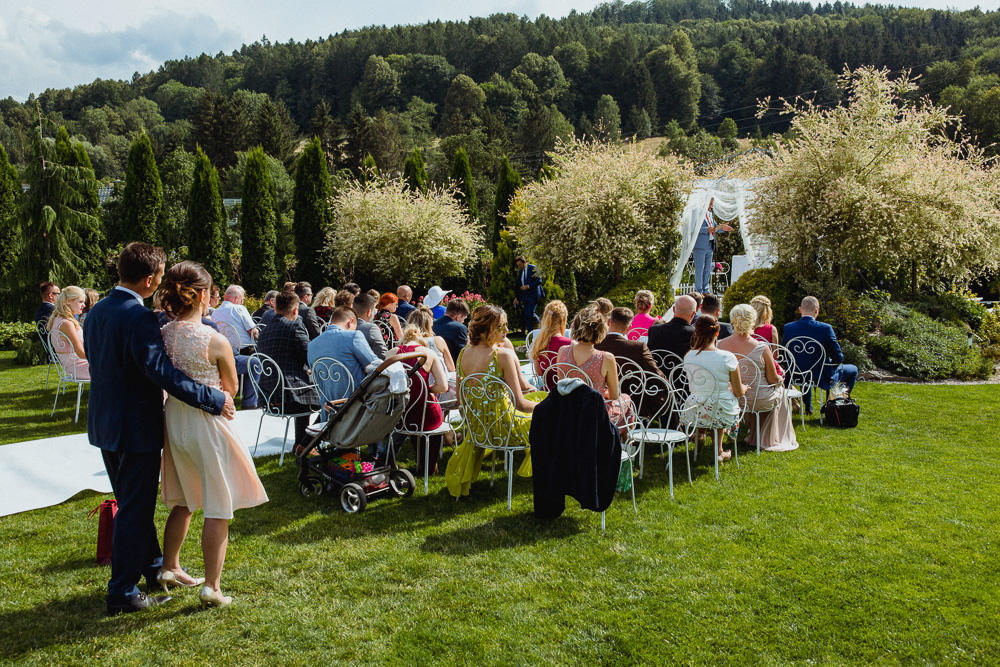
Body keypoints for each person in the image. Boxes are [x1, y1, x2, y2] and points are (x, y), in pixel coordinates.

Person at [84, 242, 234, 615]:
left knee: (133, 504)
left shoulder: (97, 310)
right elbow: (159, 372)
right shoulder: (139, 318)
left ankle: (153, 568)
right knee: (134, 510)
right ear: (150, 280)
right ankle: (121, 591)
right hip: (135, 427)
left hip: (105, 423)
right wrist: (211, 398)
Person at [157, 261, 268, 609]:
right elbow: (231, 389)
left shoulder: (162, 333)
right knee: (218, 505)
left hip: (174, 419)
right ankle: (212, 587)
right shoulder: (215, 339)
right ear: (203, 295)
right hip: (208, 421)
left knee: (185, 500)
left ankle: (169, 566)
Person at [446, 305, 546, 497]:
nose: (506, 331)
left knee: (542, 400)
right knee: (552, 416)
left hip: (478, 431)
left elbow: (460, 400)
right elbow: (520, 404)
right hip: (506, 430)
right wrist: (550, 409)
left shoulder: (463, 354)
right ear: (485, 329)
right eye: (501, 326)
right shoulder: (503, 355)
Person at [718, 304, 797, 452]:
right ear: (752, 321)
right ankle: (768, 437)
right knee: (782, 393)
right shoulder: (761, 347)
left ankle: (754, 434)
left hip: (731, 398)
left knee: (770, 394)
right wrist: (780, 379)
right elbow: (773, 379)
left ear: (733, 321)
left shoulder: (720, 345)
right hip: (758, 398)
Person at [256, 291, 321, 452]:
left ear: (275, 308)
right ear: (295, 310)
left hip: (268, 397)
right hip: (290, 398)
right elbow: (310, 357)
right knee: (334, 402)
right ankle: (307, 443)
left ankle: (299, 443)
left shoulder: (264, 331)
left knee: (304, 390)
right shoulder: (294, 325)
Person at [557, 302, 635, 433]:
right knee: (626, 400)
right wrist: (599, 390)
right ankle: (623, 446)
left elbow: (562, 385)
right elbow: (615, 395)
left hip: (567, 411)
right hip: (594, 414)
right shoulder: (605, 358)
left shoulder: (562, 351)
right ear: (601, 330)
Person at [386, 324, 449, 475]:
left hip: (400, 415)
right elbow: (443, 386)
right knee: (432, 416)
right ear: (421, 342)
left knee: (414, 424)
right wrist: (427, 390)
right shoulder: (428, 353)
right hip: (424, 412)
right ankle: (429, 466)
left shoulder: (391, 353)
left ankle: (410, 462)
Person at [682, 314, 745, 463]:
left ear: (696, 333)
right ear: (717, 333)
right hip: (722, 410)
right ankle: (719, 451)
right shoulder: (727, 357)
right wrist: (745, 388)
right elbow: (738, 391)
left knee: (709, 402)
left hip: (693, 409)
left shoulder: (689, 356)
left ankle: (699, 439)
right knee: (720, 400)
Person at [782, 296, 858, 412]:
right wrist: (828, 362)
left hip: (796, 374)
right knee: (853, 370)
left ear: (800, 309)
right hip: (820, 375)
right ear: (817, 310)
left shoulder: (788, 328)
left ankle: (808, 406)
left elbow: (785, 354)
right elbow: (838, 357)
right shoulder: (825, 329)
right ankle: (836, 404)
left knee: (806, 367)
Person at [596, 307, 668, 418]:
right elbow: (654, 373)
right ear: (629, 328)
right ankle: (676, 431)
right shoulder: (638, 347)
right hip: (636, 402)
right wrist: (668, 385)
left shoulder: (596, 346)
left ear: (609, 322)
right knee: (668, 394)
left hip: (603, 400)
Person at [307, 306, 379, 410]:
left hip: (328, 408)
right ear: (350, 322)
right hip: (356, 405)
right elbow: (375, 364)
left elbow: (317, 379)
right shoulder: (353, 336)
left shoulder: (312, 345)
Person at [47, 285, 91, 380]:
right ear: (68, 301)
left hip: (76, 366)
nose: (83, 305)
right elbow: (80, 353)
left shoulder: (59, 319)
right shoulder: (67, 324)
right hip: (79, 368)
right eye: (80, 302)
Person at [691, 198, 733, 293]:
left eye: (711, 204)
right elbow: (692, 229)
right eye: (709, 204)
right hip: (700, 245)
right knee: (699, 269)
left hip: (710, 245)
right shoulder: (696, 213)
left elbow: (714, 228)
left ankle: (705, 290)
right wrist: (706, 230)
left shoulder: (710, 214)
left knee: (707, 269)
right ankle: (699, 291)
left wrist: (722, 228)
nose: (711, 206)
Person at [647, 294, 697, 374]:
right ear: (693, 314)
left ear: (673, 309)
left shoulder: (654, 330)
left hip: (657, 380)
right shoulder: (695, 334)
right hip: (683, 382)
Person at [530, 300, 572, 390]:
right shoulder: (570, 344)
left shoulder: (538, 343)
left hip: (546, 392)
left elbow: (539, 373)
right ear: (563, 320)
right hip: (566, 393)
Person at [407, 304, 456, 372]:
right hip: (439, 381)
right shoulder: (438, 340)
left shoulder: (406, 344)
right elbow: (451, 369)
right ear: (430, 324)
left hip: (415, 380)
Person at [212, 285, 258, 355]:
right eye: (242, 300)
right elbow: (253, 332)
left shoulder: (215, 313)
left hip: (226, 352)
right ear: (236, 299)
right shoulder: (239, 308)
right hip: (247, 352)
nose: (242, 303)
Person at [351, 292, 388, 359]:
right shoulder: (370, 328)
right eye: (374, 310)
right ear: (369, 312)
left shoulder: (343, 326)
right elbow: (383, 354)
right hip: (367, 367)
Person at [433, 297, 470, 364]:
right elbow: (462, 353)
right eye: (463, 319)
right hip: (452, 367)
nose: (463, 322)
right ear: (458, 316)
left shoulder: (433, 323)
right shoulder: (459, 328)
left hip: (434, 365)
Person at [513, 256, 543, 333]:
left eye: (520, 265)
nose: (519, 267)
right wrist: (517, 297)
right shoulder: (520, 271)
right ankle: (530, 334)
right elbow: (518, 284)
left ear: (525, 262)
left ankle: (542, 327)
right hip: (525, 295)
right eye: (518, 265)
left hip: (534, 294)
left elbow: (539, 280)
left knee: (531, 313)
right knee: (526, 315)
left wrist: (528, 286)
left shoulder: (533, 268)